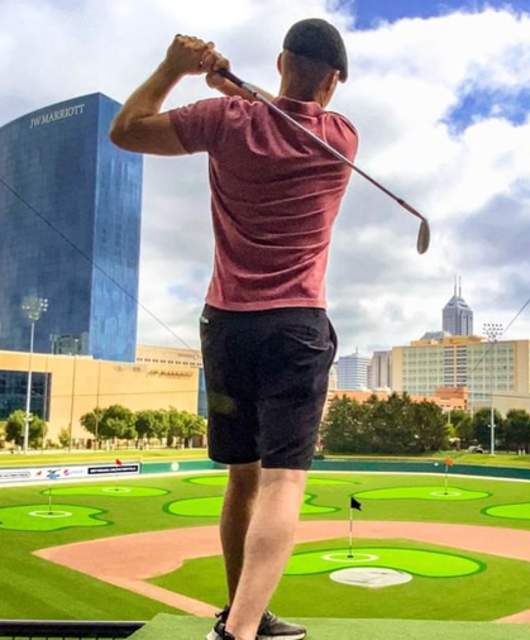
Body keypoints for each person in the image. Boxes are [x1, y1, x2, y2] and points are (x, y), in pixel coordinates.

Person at [110, 17, 357, 640]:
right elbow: (288, 115)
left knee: (242, 476)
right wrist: (233, 88)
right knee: (282, 480)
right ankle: (241, 631)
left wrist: (179, 69)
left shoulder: (224, 123)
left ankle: (238, 612)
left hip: (225, 330)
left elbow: (126, 130)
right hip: (296, 328)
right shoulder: (340, 139)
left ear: (279, 62)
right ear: (332, 82)